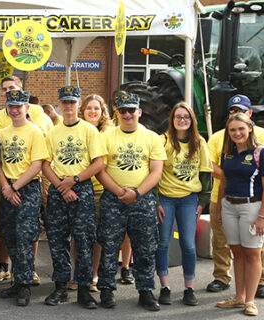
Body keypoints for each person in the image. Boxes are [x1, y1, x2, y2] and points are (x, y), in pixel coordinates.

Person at [95, 92, 166, 311]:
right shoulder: (106, 137)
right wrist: (118, 191)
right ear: (116, 112)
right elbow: (100, 169)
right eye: (123, 110)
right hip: (112, 199)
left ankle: (145, 290)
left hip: (141, 200)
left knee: (145, 248)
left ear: (139, 112)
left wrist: (136, 194)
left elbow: (156, 171)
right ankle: (106, 289)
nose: (127, 114)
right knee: (108, 245)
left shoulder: (152, 137)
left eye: (131, 110)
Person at [40, 86, 106, 309]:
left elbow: (99, 162)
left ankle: (84, 290)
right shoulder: (53, 132)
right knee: (58, 241)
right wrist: (61, 185)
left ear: (79, 104)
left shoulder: (89, 130)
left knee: (85, 241)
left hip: (82, 189)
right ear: (59, 104)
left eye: (72, 102)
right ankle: (60, 286)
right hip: (59, 190)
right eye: (65, 102)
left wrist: (74, 180)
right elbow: (45, 164)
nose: (68, 106)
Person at [206, 94, 264, 300]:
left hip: (253, 203)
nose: (237, 118)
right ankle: (224, 280)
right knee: (224, 244)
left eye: (241, 112)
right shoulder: (220, 141)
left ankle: (259, 285)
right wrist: (220, 202)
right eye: (233, 112)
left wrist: (263, 214)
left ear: (250, 115)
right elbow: (210, 165)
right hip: (225, 199)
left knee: (256, 247)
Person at [0, 76, 54, 285]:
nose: (15, 110)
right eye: (11, 106)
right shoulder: (2, 133)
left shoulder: (35, 131)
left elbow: (37, 164)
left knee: (26, 236)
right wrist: (7, 188)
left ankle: (25, 283)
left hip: (27, 188)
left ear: (27, 107)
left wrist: (14, 187)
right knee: (9, 235)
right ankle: (16, 282)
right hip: (8, 185)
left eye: (18, 106)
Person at [154, 102, 212, 306]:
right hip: (166, 198)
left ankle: (189, 288)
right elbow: (154, 172)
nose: (182, 120)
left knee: (188, 243)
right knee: (163, 242)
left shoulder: (200, 143)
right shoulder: (163, 141)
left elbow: (206, 174)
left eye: (186, 117)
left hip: (189, 199)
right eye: (178, 117)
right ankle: (165, 287)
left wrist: (202, 202)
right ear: (172, 120)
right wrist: (157, 200)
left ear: (192, 120)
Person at [78, 94, 117, 290]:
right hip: (80, 189)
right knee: (79, 235)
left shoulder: (109, 133)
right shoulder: (77, 130)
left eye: (96, 109)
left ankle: (93, 275)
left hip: (101, 190)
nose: (92, 112)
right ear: (82, 111)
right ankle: (78, 275)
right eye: (89, 108)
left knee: (97, 236)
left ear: (103, 112)